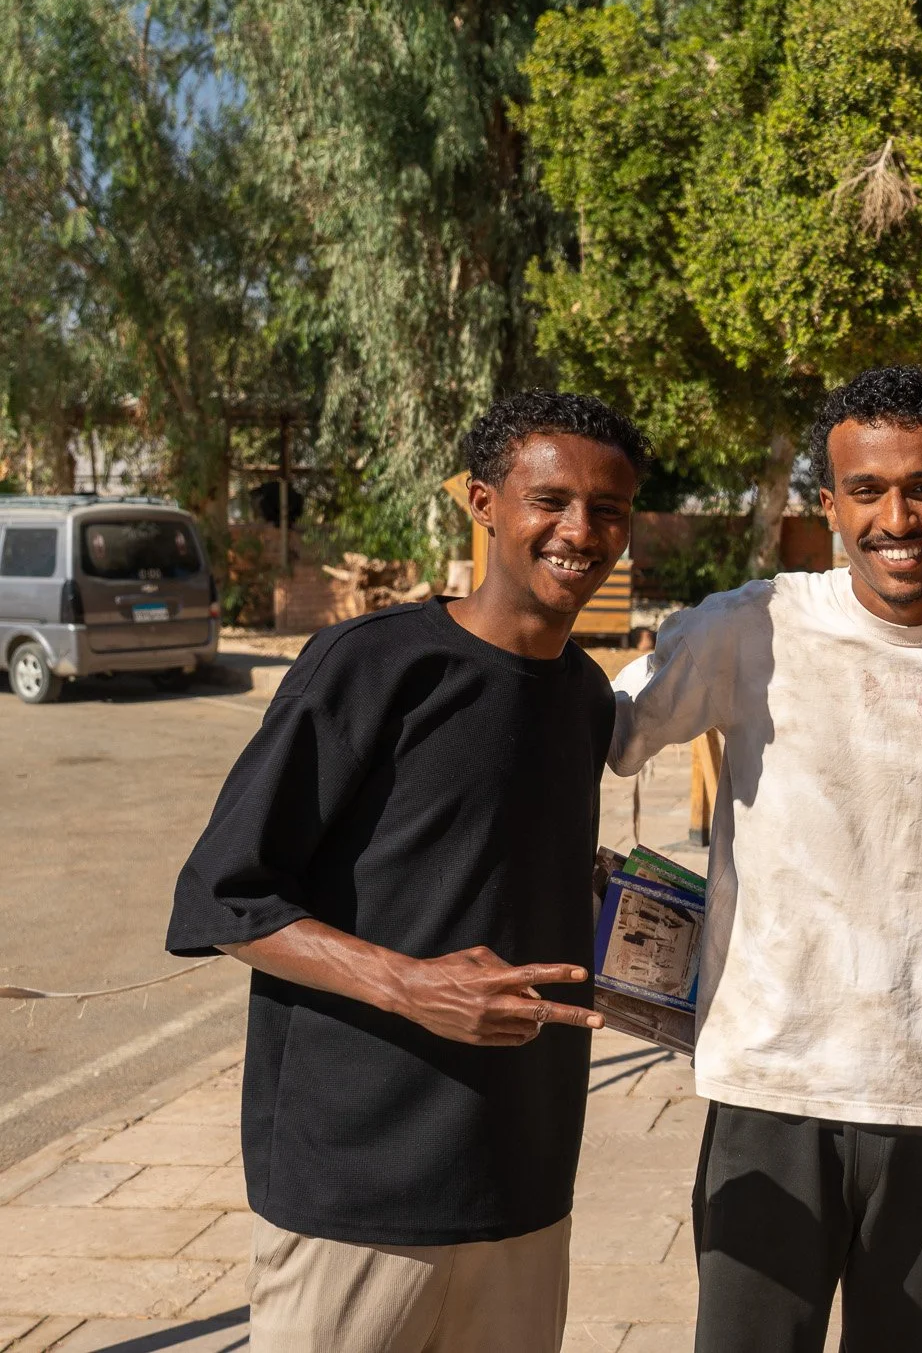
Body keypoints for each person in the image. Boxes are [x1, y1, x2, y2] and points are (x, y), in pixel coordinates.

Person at [165, 392, 648, 1353]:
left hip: (523, 1177)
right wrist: (413, 985)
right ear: (484, 502)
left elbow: (477, 864)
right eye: (550, 500)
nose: (580, 531)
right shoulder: (375, 665)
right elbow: (226, 893)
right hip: (357, 1184)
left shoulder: (586, 697)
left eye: (608, 509)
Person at [609, 365, 922, 1353]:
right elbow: (602, 731)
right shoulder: (748, 625)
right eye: (867, 490)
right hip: (772, 1081)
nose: (896, 518)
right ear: (828, 504)